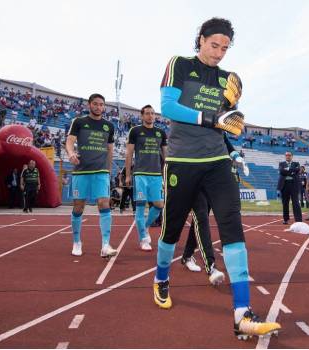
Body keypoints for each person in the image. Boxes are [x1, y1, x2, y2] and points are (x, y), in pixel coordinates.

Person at [153, 17, 280, 338]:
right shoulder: (179, 64)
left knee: (233, 226)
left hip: (217, 161)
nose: (220, 53)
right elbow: (167, 107)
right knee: (171, 228)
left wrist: (230, 110)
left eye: (225, 48)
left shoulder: (227, 78)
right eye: (214, 45)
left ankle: (242, 312)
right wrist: (210, 117)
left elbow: (227, 121)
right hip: (182, 160)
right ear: (201, 40)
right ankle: (161, 277)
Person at [181, 133, 245, 286]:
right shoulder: (192, 126)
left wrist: (238, 157)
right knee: (201, 218)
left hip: (212, 182)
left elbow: (230, 148)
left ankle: (187, 255)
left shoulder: (217, 130)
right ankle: (211, 267)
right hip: (193, 179)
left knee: (199, 219)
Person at [65, 93, 118, 258]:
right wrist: (71, 153)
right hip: (82, 171)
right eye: (95, 104)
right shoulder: (79, 122)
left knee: (104, 203)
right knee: (78, 207)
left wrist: (109, 170)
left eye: (101, 104)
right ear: (89, 105)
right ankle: (76, 241)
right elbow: (69, 141)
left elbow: (110, 150)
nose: (98, 107)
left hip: (101, 171)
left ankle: (105, 245)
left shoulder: (109, 126)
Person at [125, 104, 167, 251]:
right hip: (140, 174)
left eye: (152, 113)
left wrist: (166, 173)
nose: (150, 116)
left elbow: (166, 156)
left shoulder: (161, 133)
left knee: (159, 205)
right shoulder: (135, 131)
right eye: (147, 113)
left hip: (156, 174)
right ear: (142, 116)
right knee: (140, 208)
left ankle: (146, 227)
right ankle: (143, 239)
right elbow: (129, 153)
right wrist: (128, 175)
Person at [277, 151, 302, 224]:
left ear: (292, 156)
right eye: (286, 155)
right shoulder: (281, 164)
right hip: (284, 185)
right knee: (285, 203)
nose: (288, 156)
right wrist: (292, 172)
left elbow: (297, 170)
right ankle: (286, 219)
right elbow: (282, 171)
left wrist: (287, 170)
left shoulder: (296, 163)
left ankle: (298, 220)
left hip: (294, 185)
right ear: (285, 156)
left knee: (296, 202)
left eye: (289, 155)